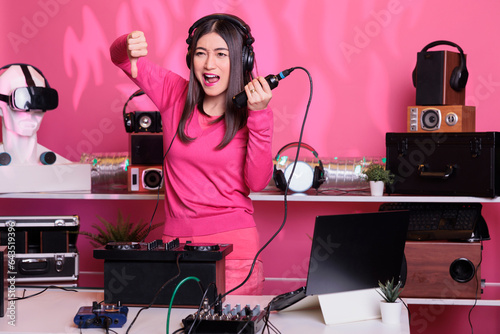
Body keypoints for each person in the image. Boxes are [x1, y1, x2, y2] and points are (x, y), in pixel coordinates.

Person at [110, 13, 274, 295]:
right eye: (201, 53)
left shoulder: (253, 112)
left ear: (242, 60)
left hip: (234, 254)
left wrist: (260, 116)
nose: (209, 64)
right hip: (175, 248)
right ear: (190, 59)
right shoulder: (174, 92)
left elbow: (257, 183)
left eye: (221, 54)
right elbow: (122, 59)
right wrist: (125, 44)